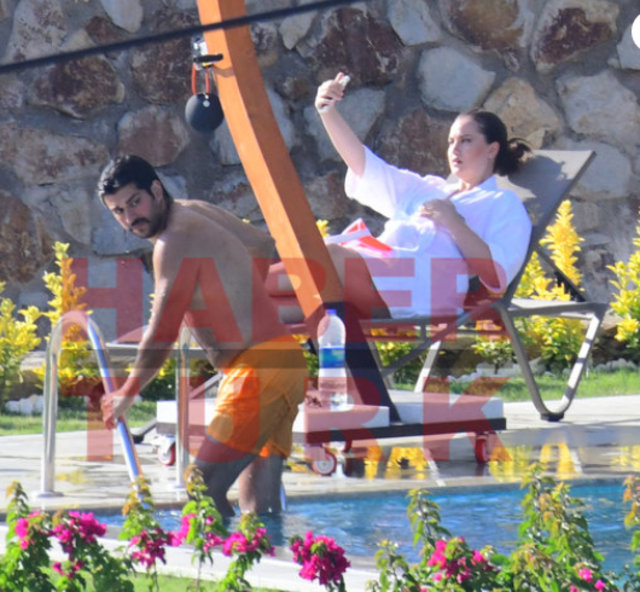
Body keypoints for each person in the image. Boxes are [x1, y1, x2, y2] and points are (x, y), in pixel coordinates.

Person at [97, 154, 307, 517]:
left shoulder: (173, 241)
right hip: (281, 361)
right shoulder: (195, 211)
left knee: (202, 492)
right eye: (118, 211)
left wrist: (127, 392)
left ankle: (216, 555)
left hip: (258, 372)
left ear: (156, 190)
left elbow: (162, 333)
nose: (130, 218)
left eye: (135, 202)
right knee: (261, 510)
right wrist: (238, 299)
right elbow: (260, 243)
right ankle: (269, 553)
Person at [269, 73, 533, 322]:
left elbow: (496, 276)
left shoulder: (503, 203)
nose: (454, 149)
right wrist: (327, 112)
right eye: (451, 141)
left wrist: (453, 223)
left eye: (465, 140)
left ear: (491, 149)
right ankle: (247, 301)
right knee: (275, 305)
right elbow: (364, 165)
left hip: (423, 292)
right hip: (379, 274)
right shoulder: (428, 189)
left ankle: (249, 287)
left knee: (330, 258)